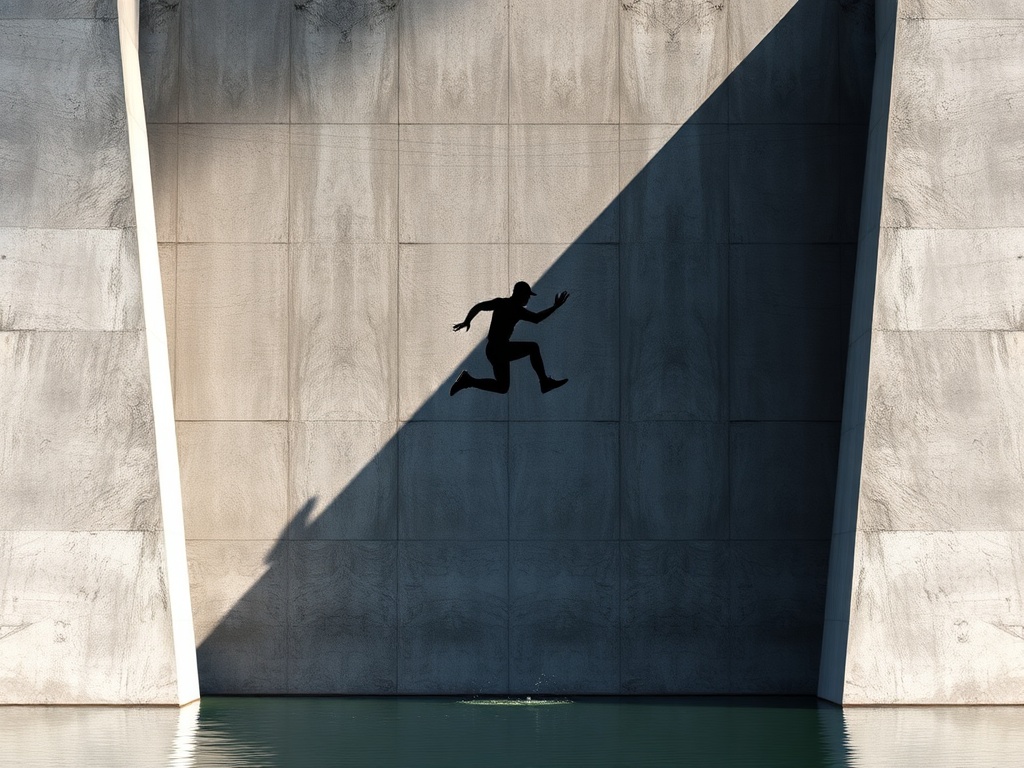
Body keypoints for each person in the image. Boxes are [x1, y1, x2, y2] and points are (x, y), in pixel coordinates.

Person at [450, 281, 569, 396]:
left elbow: (479, 306)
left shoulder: (501, 303)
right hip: (500, 349)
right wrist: (555, 307)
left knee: (502, 387)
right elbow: (536, 318)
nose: (528, 299)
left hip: (494, 350)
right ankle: (544, 382)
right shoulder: (516, 309)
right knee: (533, 347)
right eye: (527, 296)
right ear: (520, 294)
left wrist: (467, 321)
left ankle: (468, 381)